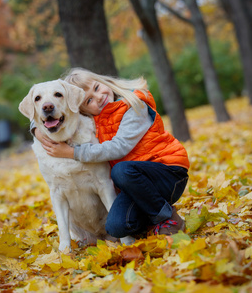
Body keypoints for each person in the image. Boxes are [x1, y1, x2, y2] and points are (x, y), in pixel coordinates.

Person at [32, 67, 189, 239]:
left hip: (168, 171)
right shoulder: (95, 119)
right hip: (135, 183)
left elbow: (119, 147)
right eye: (89, 100)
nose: (98, 98)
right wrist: (36, 129)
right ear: (82, 111)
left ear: (103, 81)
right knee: (116, 227)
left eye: (97, 88)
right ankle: (151, 222)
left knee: (121, 171)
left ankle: (167, 218)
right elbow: (50, 105)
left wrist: (72, 152)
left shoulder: (134, 104)